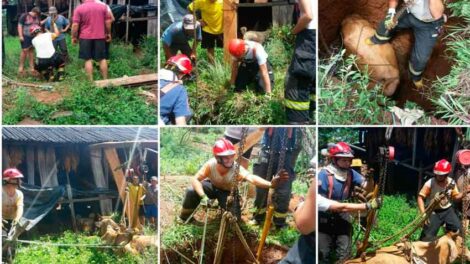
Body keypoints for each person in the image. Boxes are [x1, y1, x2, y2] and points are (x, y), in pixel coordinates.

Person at [179, 138, 289, 221]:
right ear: (218, 158)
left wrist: (270, 184)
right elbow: (195, 179)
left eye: (231, 156)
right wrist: (203, 196)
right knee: (191, 191)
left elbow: (252, 178)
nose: (230, 160)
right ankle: (185, 218)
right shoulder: (210, 164)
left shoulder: (236, 168)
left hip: (228, 193)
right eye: (226, 157)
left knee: (234, 219)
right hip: (211, 187)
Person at [280, 178, 381, 264]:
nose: (319, 183)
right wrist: (368, 205)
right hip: (319, 229)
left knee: (343, 253)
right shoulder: (318, 200)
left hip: (325, 225)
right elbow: (343, 207)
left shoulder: (311, 201)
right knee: (322, 254)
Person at [365, 0, 445, 89]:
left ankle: (415, 77)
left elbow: (437, 14)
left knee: (421, 58)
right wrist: (391, 14)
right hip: (409, 13)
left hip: (428, 24)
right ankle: (377, 39)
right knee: (384, 25)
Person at [317, 142, 370, 263]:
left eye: (349, 160)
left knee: (345, 253)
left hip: (342, 214)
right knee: (322, 254)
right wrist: (366, 206)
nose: (347, 163)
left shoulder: (350, 173)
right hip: (324, 215)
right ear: (335, 160)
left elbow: (367, 186)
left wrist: (371, 179)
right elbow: (334, 205)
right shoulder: (324, 175)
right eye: (344, 160)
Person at [251, 128, 300, 229]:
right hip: (266, 150)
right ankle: (258, 217)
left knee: (284, 191)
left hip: (286, 152)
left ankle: (279, 222)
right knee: (261, 187)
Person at [284, 0, 316, 124]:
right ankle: (312, 115)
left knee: (296, 84)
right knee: (312, 82)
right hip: (313, 38)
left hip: (308, 38)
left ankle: (298, 121)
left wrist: (293, 31)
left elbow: (308, 16)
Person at [418, 159, 465, 242]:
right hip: (433, 210)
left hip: (447, 209)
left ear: (446, 174)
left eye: (441, 175)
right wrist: (423, 214)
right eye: (437, 174)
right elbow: (420, 197)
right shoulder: (430, 183)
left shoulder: (451, 182)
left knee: (458, 229)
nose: (439, 176)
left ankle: (449, 245)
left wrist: (464, 192)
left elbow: (456, 198)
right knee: (427, 237)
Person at [71, 0, 112, 81]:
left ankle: (90, 82)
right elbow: (108, 22)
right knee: (102, 59)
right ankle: (105, 80)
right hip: (100, 36)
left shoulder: (79, 8)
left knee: (88, 59)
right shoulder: (103, 6)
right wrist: (108, 33)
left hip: (85, 37)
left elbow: (75, 25)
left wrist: (74, 37)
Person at [159, 54, 193, 125]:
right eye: (185, 76)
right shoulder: (180, 90)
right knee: (188, 112)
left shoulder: (152, 78)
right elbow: (180, 122)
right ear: (182, 74)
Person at [2, 168, 25, 263]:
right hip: (1, 219)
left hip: (12, 220)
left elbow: (20, 207)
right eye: (14, 179)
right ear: (7, 180)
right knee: (2, 239)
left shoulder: (19, 194)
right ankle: (3, 260)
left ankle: (11, 260)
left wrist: (17, 219)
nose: (17, 181)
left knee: (13, 240)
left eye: (17, 179)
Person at [17, 7, 41, 75]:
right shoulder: (24, 16)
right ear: (33, 12)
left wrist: (38, 35)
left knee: (31, 51)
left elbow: (38, 26)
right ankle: (21, 67)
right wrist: (21, 35)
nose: (36, 16)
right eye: (35, 14)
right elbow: (19, 26)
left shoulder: (37, 17)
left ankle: (32, 67)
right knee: (24, 51)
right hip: (25, 36)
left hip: (33, 37)